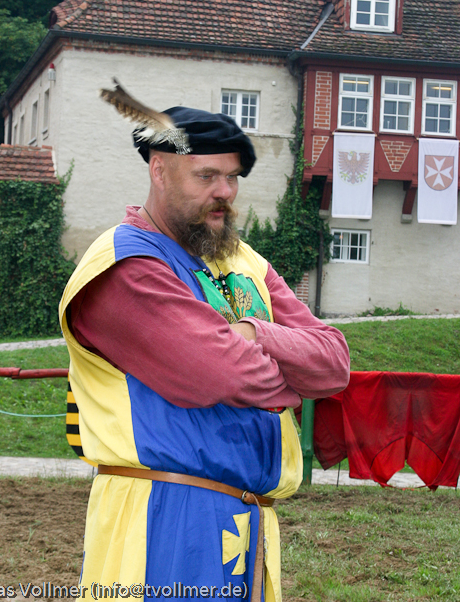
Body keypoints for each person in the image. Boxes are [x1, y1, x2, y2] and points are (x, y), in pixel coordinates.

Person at [60, 106, 349, 601]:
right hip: (162, 516)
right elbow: (221, 374)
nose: (225, 192)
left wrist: (254, 332)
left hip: (249, 520)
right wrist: (295, 380)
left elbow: (334, 362)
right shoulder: (123, 265)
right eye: (206, 175)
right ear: (159, 169)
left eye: (232, 177)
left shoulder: (242, 259)